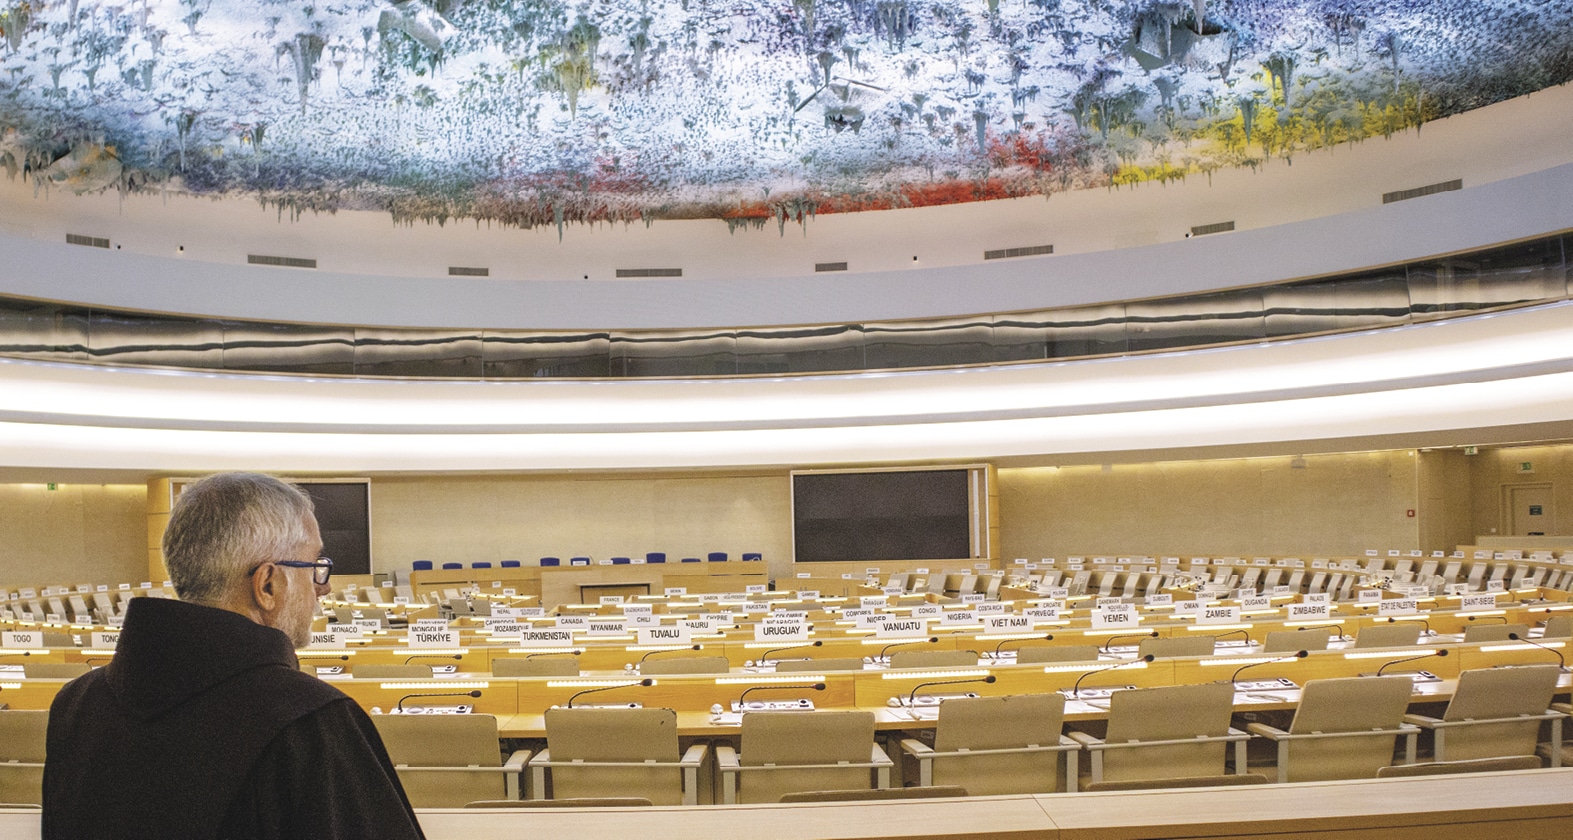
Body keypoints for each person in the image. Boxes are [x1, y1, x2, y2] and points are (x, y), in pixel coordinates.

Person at [42, 472, 426, 840]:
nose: (321, 590)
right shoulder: (311, 722)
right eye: (315, 569)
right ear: (268, 584)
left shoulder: (75, 706)